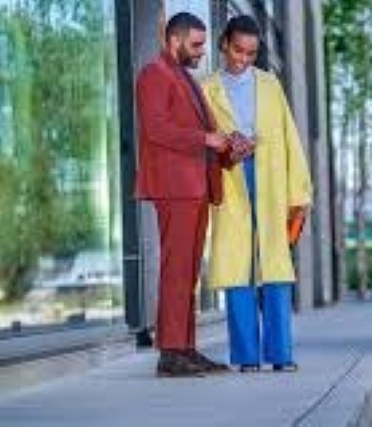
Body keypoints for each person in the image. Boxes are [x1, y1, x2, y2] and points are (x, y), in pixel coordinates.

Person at [201, 15, 313, 372]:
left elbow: (290, 136)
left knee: (276, 265)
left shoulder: (269, 84)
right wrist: (227, 147)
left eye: (251, 53)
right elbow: (202, 141)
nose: (243, 59)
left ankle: (282, 355)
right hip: (231, 177)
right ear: (224, 44)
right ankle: (246, 357)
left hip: (271, 178)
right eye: (238, 50)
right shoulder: (206, 89)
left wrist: (299, 192)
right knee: (238, 267)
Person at [135, 12, 232, 377]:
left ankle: (185, 349)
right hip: (175, 188)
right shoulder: (154, 74)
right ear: (173, 40)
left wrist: (228, 145)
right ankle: (170, 354)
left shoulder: (184, 78)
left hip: (196, 188)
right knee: (176, 270)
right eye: (195, 44)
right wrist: (206, 138)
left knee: (188, 272)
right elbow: (155, 129)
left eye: (202, 44)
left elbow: (198, 132)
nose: (201, 51)